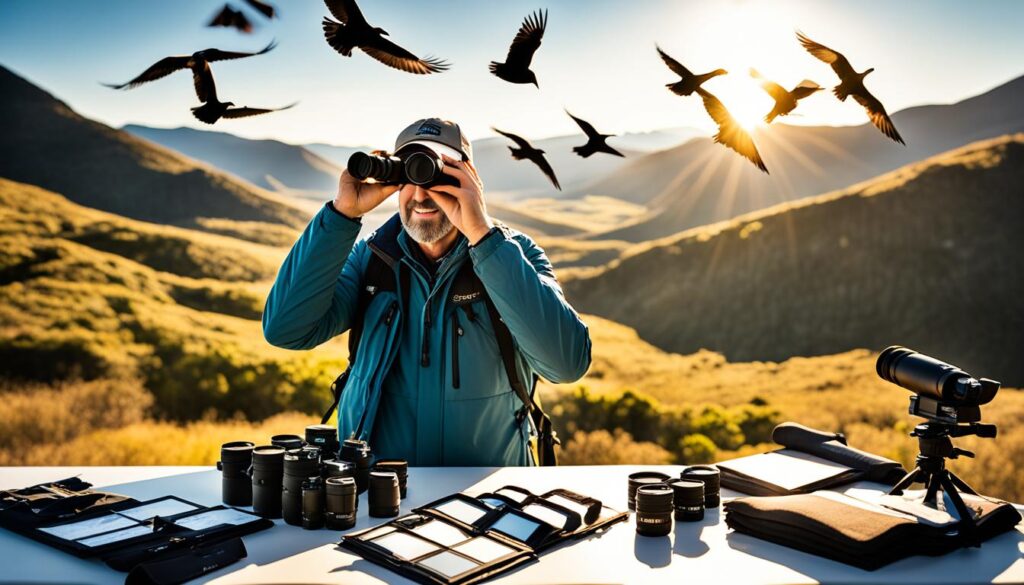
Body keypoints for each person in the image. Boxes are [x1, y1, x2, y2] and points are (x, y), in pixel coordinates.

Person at [262, 118, 591, 466]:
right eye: (408, 175)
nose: (420, 194)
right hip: (376, 496)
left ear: (469, 179)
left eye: (436, 175)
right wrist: (342, 215)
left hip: (484, 499)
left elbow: (566, 364)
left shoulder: (514, 255)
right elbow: (286, 330)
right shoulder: (372, 259)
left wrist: (483, 235)